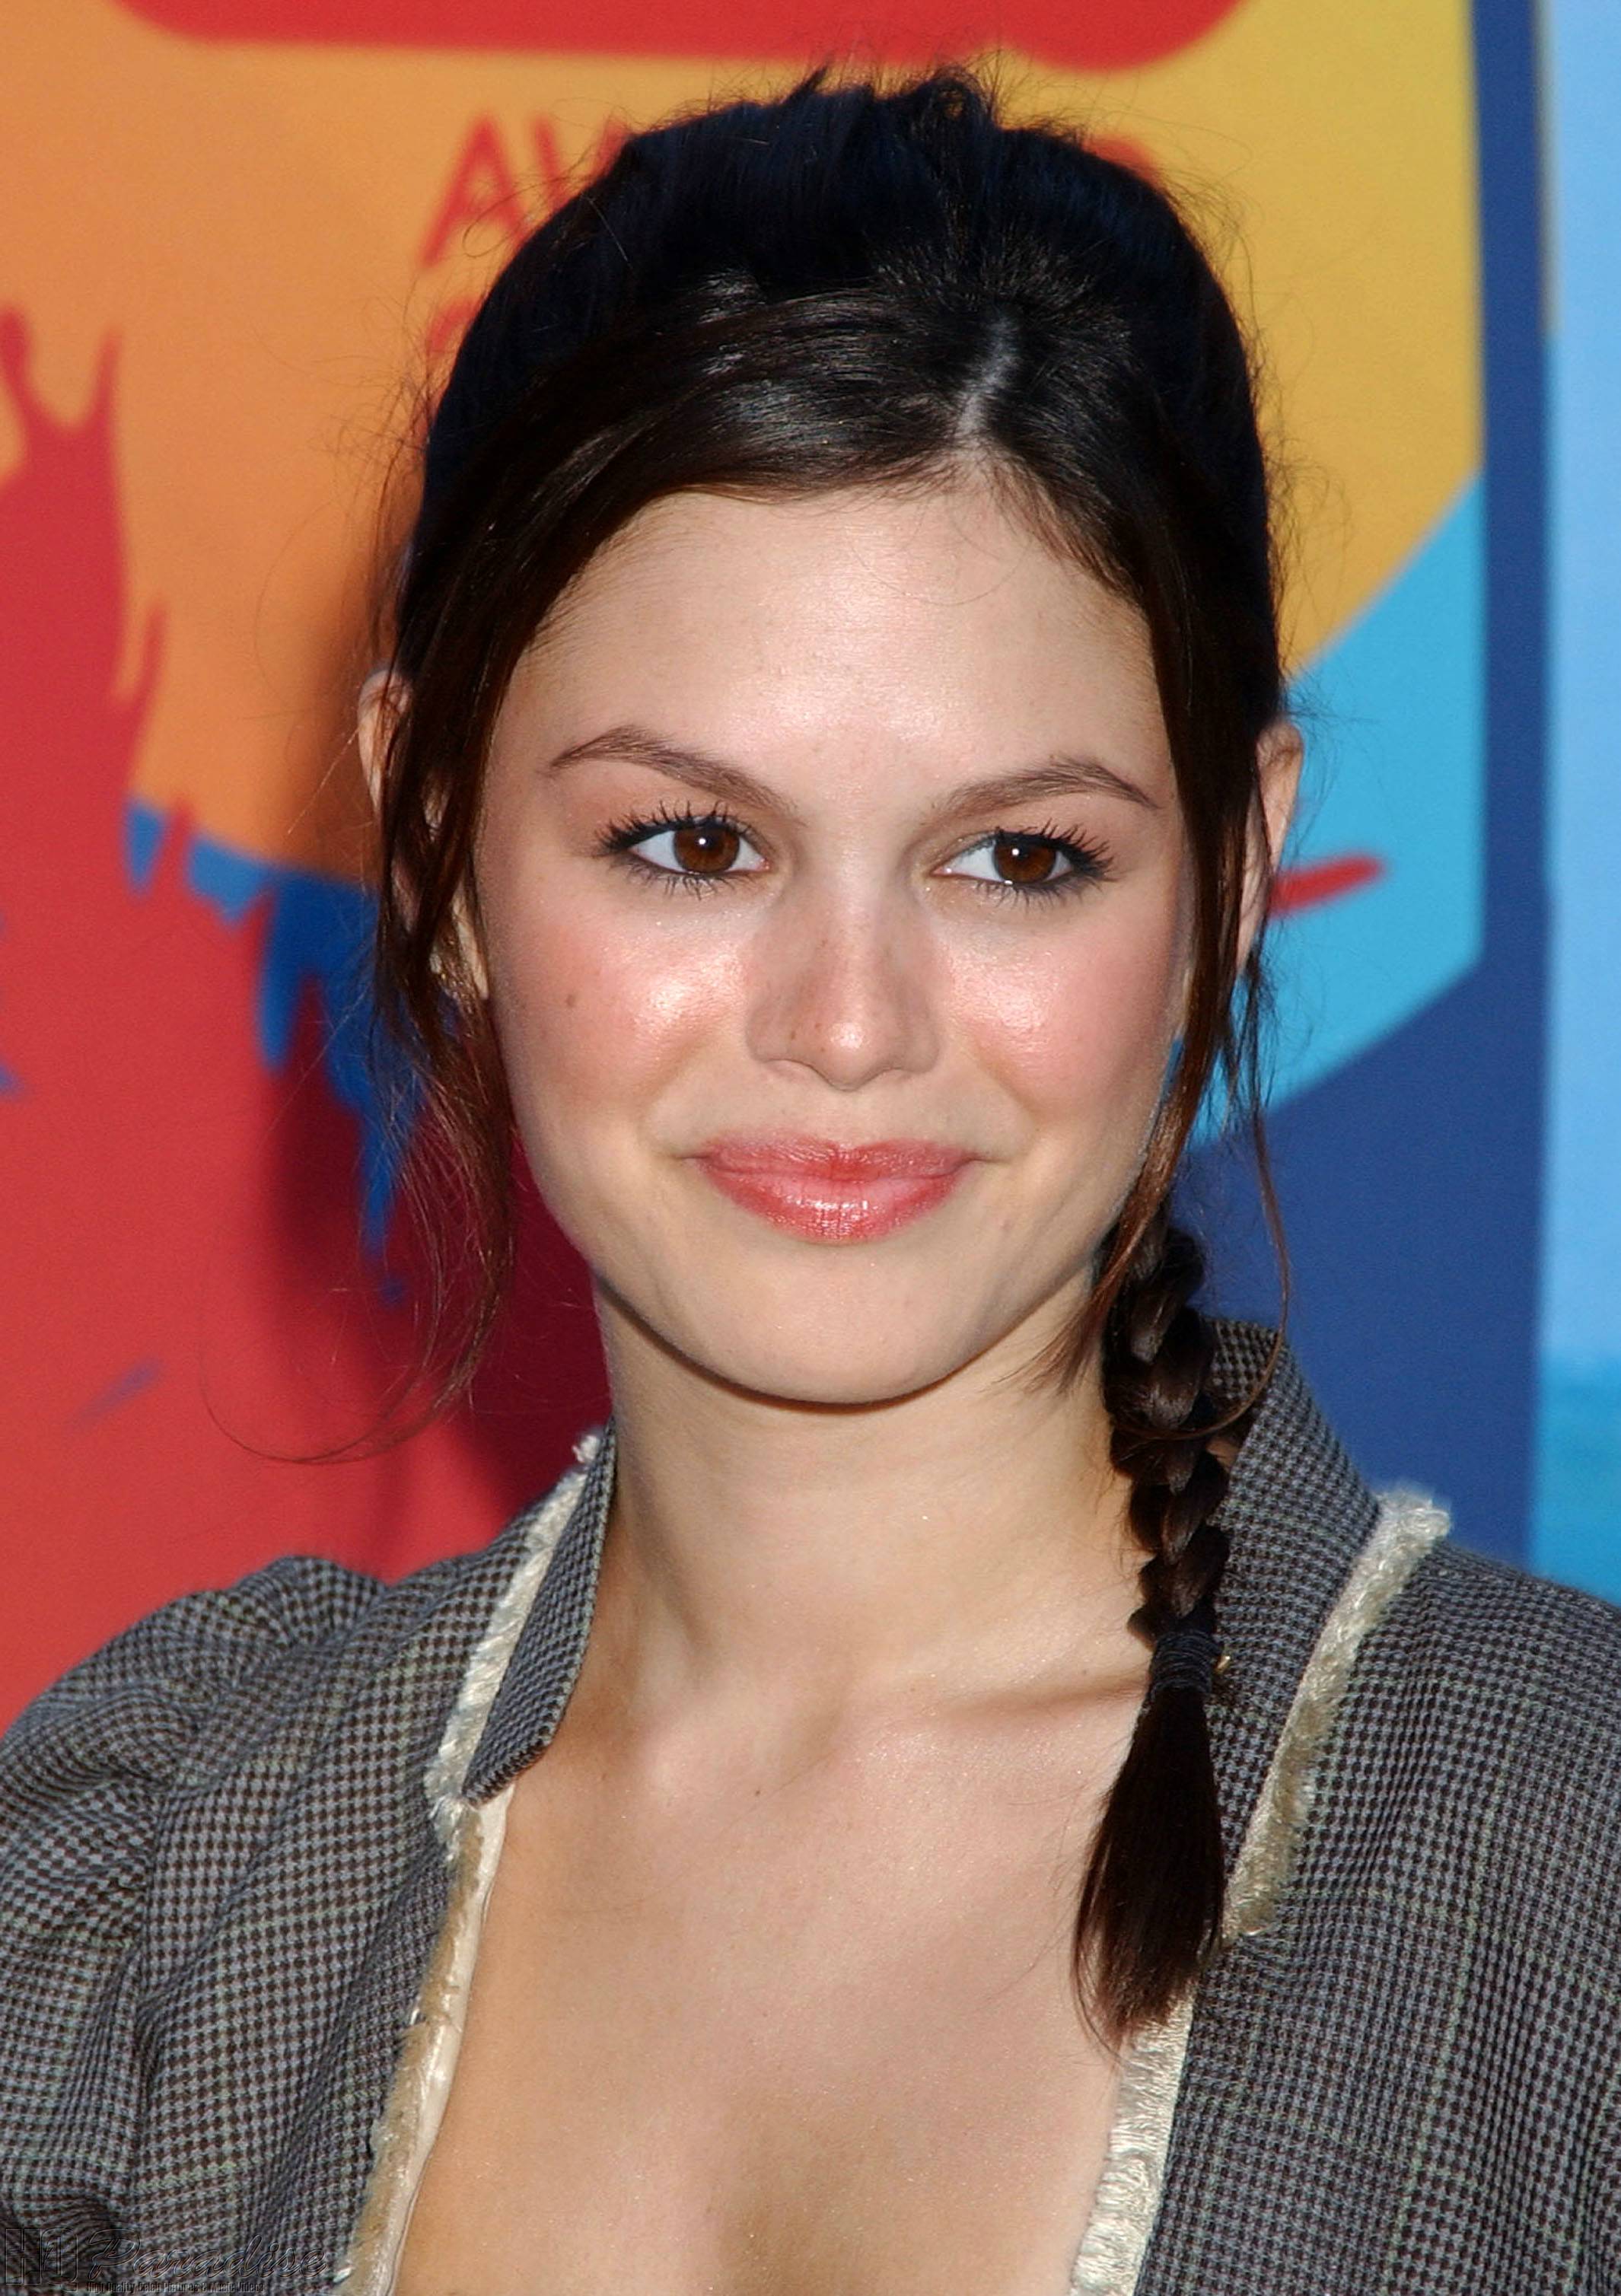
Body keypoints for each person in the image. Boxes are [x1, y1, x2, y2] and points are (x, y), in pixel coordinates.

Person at [1, 67, 1616, 2296]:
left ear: (1233, 877)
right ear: (437, 837)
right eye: (691, 842)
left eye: (1016, 858)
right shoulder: (172, 1868)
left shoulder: (1561, 1868)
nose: (847, 1023)